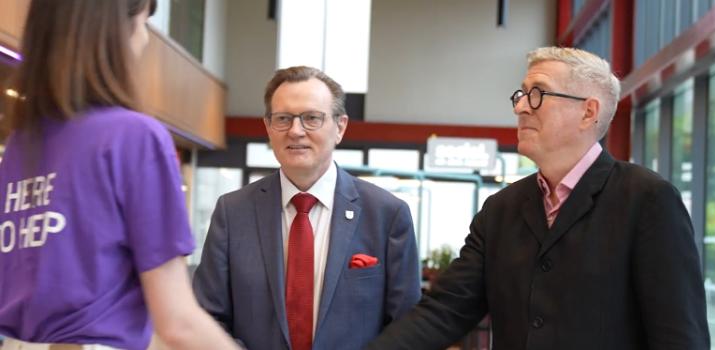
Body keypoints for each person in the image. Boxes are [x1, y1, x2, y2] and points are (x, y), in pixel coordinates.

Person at [367, 47, 710, 349]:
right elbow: (445, 310)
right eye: (521, 95)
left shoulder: (647, 200)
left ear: (588, 113)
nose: (521, 108)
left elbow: (679, 337)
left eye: (538, 95)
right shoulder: (501, 209)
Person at [0, 1, 239, 349]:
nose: (144, 40)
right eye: (143, 23)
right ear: (110, 34)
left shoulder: (21, 144)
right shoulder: (134, 137)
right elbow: (177, 321)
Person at [192, 66, 421, 350]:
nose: (296, 131)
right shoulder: (233, 212)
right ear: (268, 127)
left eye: (312, 118)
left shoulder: (387, 215)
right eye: (283, 119)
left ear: (340, 127)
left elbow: (407, 328)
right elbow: (206, 315)